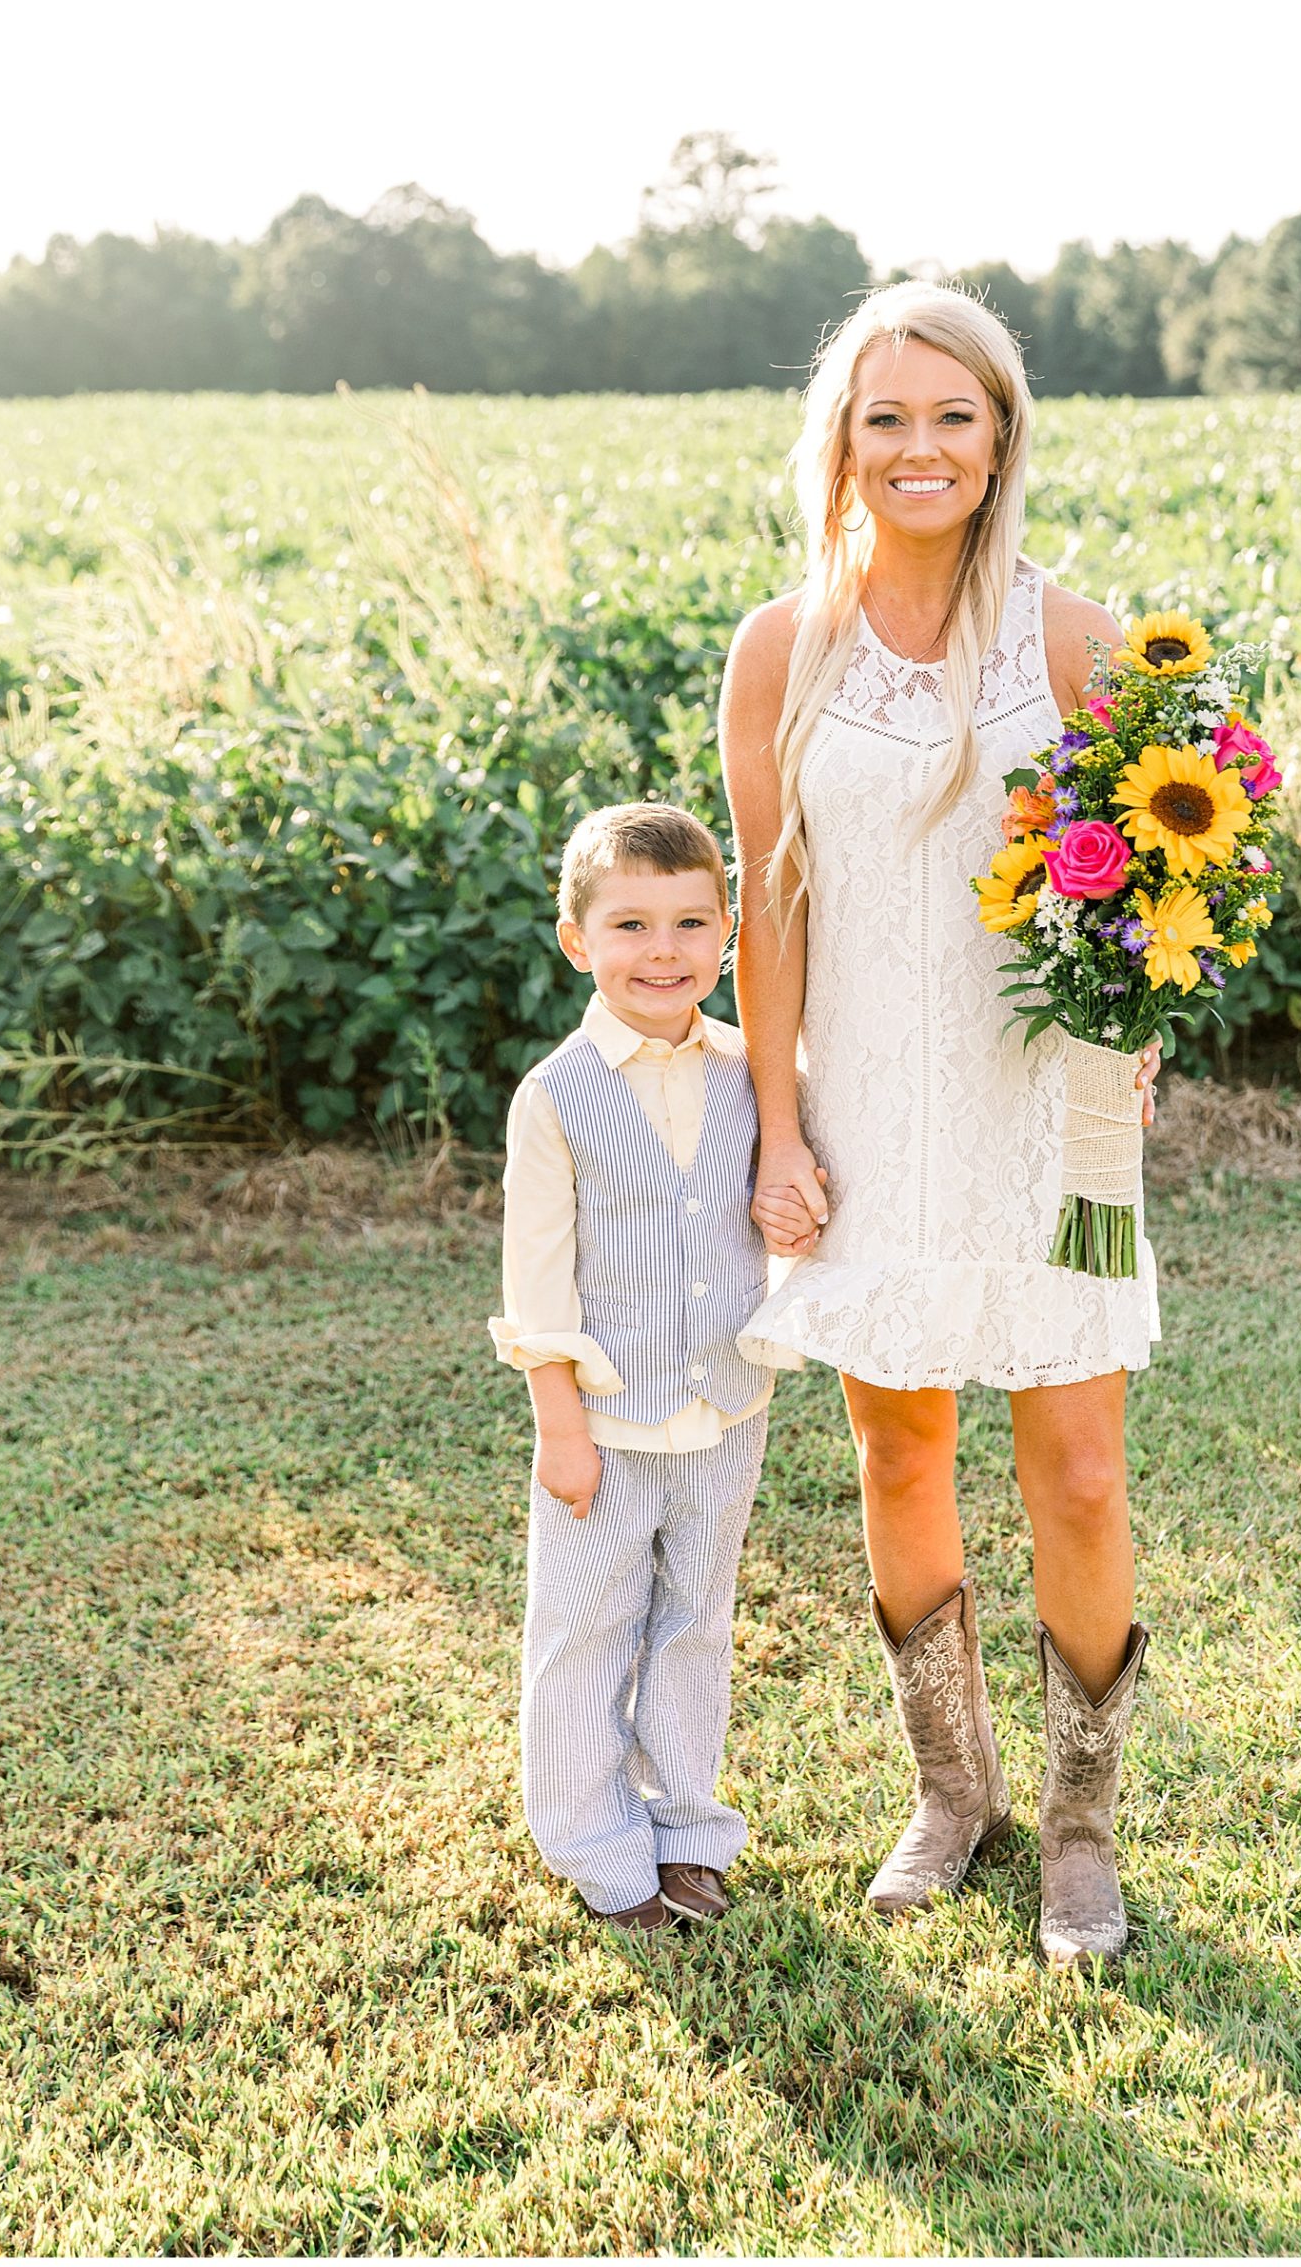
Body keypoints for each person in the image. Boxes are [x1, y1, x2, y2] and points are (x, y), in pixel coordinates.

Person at [721, 285, 1162, 1969]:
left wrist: (1142, 1038)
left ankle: (1075, 1828)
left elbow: (1174, 877)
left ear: (999, 438)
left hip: (1055, 1123)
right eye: (883, 418)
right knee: (896, 1450)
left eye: (951, 418)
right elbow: (770, 904)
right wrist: (777, 1126)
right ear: (840, 439)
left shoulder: (1074, 641)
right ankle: (948, 1792)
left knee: (1081, 1470)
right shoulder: (785, 648)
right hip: (868, 1119)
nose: (918, 448)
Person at [488, 802, 815, 1935]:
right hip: (606, 1423)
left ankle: (686, 1829)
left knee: (694, 1624)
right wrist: (558, 1423)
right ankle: (593, 1842)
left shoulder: (755, 1073)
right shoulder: (558, 1095)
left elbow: (791, 1200)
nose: (662, 951)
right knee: (585, 1632)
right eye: (630, 924)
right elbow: (535, 1282)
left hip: (727, 1409)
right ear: (578, 940)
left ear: (729, 934)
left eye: (689, 922)